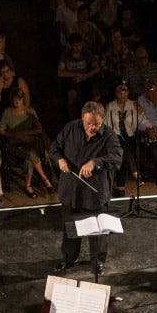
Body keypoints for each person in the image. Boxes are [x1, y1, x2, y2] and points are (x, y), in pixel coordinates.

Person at [49, 101, 122, 278]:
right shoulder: (70, 128)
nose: (92, 128)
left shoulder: (109, 136)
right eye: (88, 123)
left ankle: (98, 261)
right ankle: (69, 258)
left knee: (97, 232)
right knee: (70, 228)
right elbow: (54, 149)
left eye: (96, 124)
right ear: (82, 118)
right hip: (71, 189)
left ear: (102, 121)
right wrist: (59, 160)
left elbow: (117, 158)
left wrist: (96, 162)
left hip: (94, 192)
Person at [0, 89, 52, 199]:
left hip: (28, 143)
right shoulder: (7, 112)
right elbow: (1, 131)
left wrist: (25, 133)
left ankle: (28, 186)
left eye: (19, 100)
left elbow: (39, 129)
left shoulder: (30, 111)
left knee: (29, 159)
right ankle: (45, 180)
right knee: (31, 154)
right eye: (15, 100)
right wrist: (13, 135)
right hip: (14, 145)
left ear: (23, 100)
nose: (17, 102)